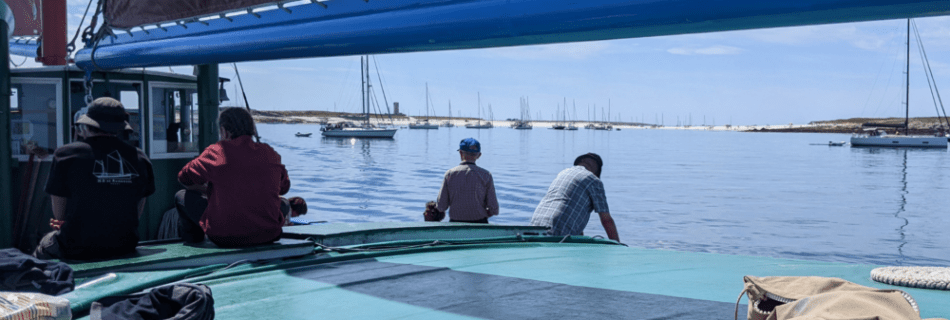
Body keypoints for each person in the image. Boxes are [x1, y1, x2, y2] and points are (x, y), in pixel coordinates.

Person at [34, 97, 155, 260]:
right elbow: (139, 205)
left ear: (88, 124)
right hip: (124, 244)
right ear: (119, 127)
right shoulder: (139, 157)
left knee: (43, 246)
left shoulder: (65, 154)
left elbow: (59, 210)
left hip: (75, 245)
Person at [175, 107, 290, 247]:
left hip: (224, 238)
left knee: (181, 196)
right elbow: (284, 188)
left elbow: (183, 178)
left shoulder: (217, 151)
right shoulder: (270, 153)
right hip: (268, 235)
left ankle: (195, 244)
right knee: (284, 203)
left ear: (224, 130)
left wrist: (206, 189)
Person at [530, 153, 619, 241]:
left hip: (534, 226)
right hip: (558, 228)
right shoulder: (594, 180)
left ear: (580, 162)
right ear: (596, 171)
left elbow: (572, 213)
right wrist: (618, 247)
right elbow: (606, 220)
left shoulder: (563, 173)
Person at [433, 138, 499, 223]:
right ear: (479, 155)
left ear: (460, 153)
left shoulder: (449, 174)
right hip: (480, 224)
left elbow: (441, 207)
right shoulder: (486, 175)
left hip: (455, 225)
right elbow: (494, 209)